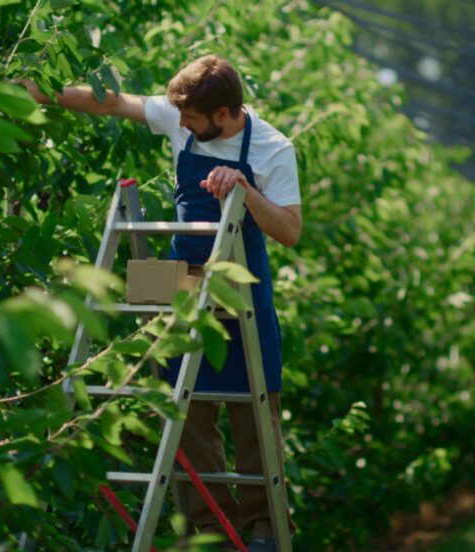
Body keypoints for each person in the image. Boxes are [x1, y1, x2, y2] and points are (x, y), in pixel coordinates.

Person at [19, 54, 300, 552]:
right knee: (182, 407)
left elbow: (291, 231)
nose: (182, 125)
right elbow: (110, 102)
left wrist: (246, 192)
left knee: (255, 412)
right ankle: (207, 530)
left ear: (224, 113)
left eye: (192, 120)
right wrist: (40, 91)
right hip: (179, 277)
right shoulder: (181, 114)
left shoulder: (274, 149)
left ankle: (264, 530)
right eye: (180, 118)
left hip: (242, 284)